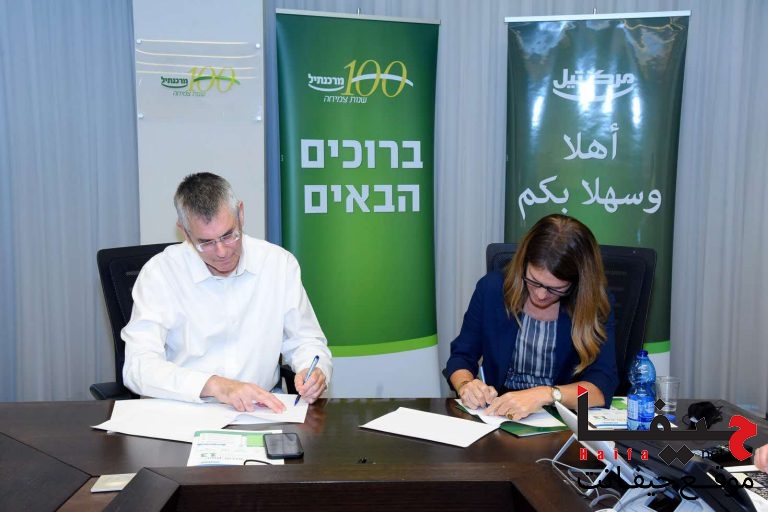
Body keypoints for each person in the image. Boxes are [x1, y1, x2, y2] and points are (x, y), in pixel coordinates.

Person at [122, 172, 332, 413]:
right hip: (185, 412)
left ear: (240, 214)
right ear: (184, 231)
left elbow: (306, 340)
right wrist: (216, 386)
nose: (221, 252)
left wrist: (314, 370)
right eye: (206, 242)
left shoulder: (277, 264)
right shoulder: (160, 274)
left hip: (260, 411)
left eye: (228, 235)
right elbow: (138, 367)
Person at [445, 213, 618, 420]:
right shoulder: (492, 289)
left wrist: (547, 395)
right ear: (524, 263)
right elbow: (462, 356)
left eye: (555, 289)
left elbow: (601, 387)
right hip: (499, 414)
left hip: (561, 417)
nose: (541, 295)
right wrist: (466, 385)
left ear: (578, 283)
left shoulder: (593, 305)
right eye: (534, 281)